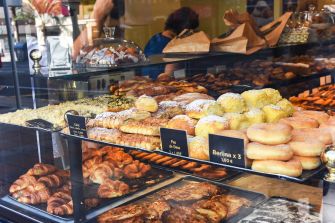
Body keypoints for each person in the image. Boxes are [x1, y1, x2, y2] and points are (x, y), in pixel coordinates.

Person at [143, 7, 199, 79]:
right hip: (161, 84)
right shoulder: (172, 45)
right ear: (184, 28)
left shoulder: (155, 38)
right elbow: (166, 74)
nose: (191, 33)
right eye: (190, 30)